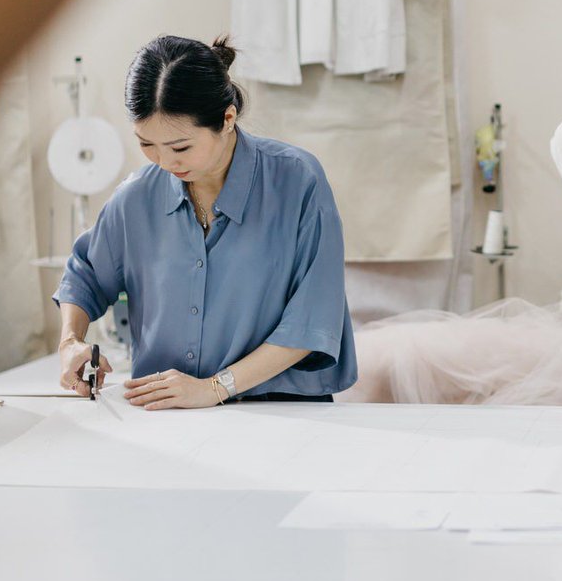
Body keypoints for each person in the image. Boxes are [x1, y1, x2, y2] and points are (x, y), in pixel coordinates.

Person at [53, 35, 355, 407]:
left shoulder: (298, 182)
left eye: (180, 147)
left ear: (227, 118)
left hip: (285, 412)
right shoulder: (136, 197)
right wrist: (71, 343)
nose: (164, 163)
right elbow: (84, 276)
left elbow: (311, 321)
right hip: (167, 418)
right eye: (147, 144)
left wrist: (214, 387)